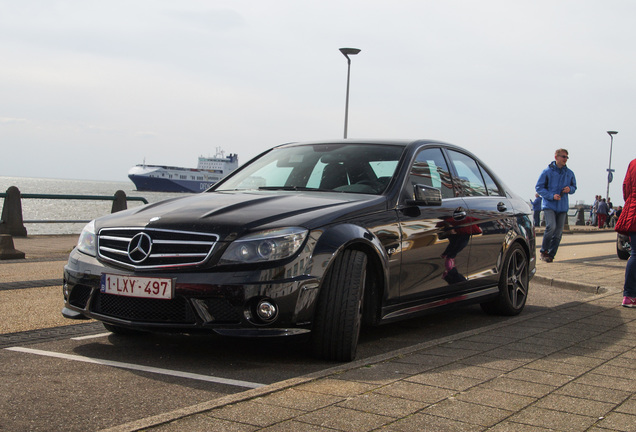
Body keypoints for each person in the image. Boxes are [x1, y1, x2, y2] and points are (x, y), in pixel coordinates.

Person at [535, 148, 577, 262]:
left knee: (558, 232)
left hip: (562, 206)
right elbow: (539, 187)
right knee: (551, 227)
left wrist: (570, 189)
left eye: (566, 157)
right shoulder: (547, 171)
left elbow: (574, 187)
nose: (565, 159)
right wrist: (551, 196)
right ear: (556, 157)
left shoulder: (569, 173)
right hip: (549, 205)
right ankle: (544, 251)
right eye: (563, 157)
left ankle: (551, 255)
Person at [615, 159, 636, 307]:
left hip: (633, 210)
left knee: (635, 254)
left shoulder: (633, 163)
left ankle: (629, 295)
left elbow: (626, 187)